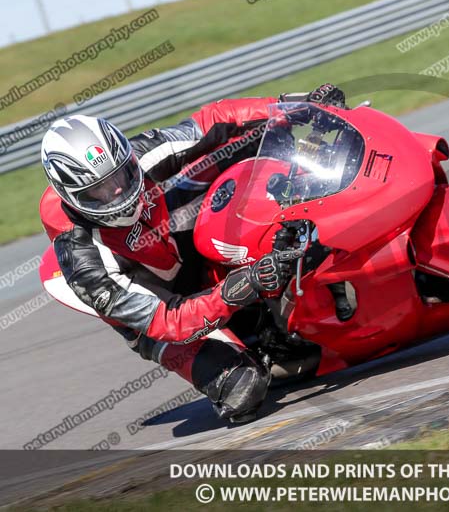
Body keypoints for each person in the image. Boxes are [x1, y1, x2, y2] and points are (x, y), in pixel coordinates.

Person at [38, 85, 346, 423]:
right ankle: (260, 341)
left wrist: (296, 106)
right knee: (244, 389)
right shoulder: (84, 259)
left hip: (174, 247)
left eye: (123, 176)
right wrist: (238, 290)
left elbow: (212, 121)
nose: (117, 192)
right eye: (99, 190)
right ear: (73, 196)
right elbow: (166, 322)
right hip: (160, 314)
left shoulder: (137, 156)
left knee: (251, 140)